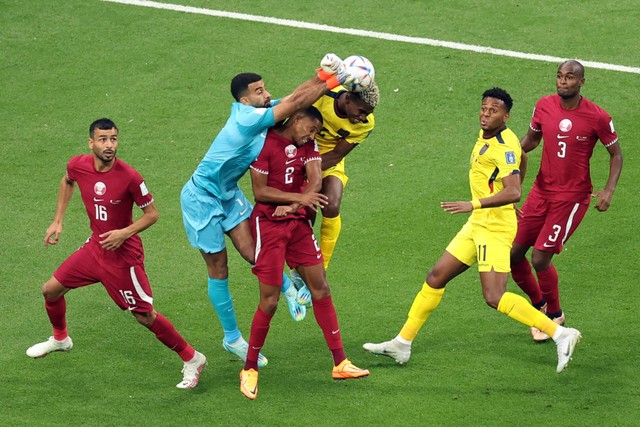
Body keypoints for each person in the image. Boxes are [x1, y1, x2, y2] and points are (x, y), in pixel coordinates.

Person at [363, 88, 582, 373]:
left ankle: (560, 334)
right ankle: (402, 343)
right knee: (436, 277)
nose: (486, 114)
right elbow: (522, 160)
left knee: (494, 297)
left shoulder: (503, 145)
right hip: (478, 223)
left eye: (493, 111)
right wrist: (496, 200)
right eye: (483, 108)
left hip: (494, 228)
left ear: (506, 116)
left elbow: (514, 191)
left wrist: (475, 203)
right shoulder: (495, 137)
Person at [179, 54, 356, 367]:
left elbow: (295, 99)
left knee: (255, 253)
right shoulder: (247, 118)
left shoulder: (259, 108)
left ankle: (287, 290)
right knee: (219, 267)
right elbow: (294, 104)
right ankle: (232, 337)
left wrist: (323, 75)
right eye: (259, 90)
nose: (266, 93)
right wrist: (335, 77)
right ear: (244, 99)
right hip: (201, 197)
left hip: (228, 192)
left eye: (264, 89)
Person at [26, 118, 207, 389]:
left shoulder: (130, 177)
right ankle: (61, 339)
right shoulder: (78, 165)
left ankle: (192, 358)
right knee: (50, 290)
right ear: (91, 143)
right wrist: (58, 219)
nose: (109, 145)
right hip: (95, 249)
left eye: (113, 139)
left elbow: (153, 214)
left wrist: (124, 232)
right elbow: (67, 181)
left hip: (123, 258)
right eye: (103, 139)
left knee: (144, 315)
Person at [239, 106, 370, 400]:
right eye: (310, 129)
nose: (311, 137)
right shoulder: (265, 143)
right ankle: (249, 368)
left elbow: (314, 181)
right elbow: (260, 192)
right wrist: (298, 198)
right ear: (296, 119)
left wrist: (297, 205)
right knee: (270, 301)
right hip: (268, 225)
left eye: (314, 133)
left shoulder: (308, 145)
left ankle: (341, 363)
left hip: (296, 224)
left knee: (321, 287)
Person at [510, 60, 623, 342]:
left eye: (570, 77)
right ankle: (540, 306)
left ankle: (555, 316)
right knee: (513, 254)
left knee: (540, 257)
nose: (563, 81)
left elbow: (616, 155)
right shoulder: (543, 105)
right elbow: (531, 140)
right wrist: (505, 155)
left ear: (581, 82)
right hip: (541, 191)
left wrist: (609, 190)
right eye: (560, 76)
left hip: (571, 198)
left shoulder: (598, 117)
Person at [290, 79, 380, 305]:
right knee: (305, 213)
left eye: (368, 114)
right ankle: (299, 269)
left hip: (327, 160)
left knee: (331, 204)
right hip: (298, 153)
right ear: (348, 98)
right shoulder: (322, 96)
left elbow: (337, 155)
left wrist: (310, 169)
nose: (363, 118)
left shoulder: (365, 125)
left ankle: (321, 268)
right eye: (361, 111)